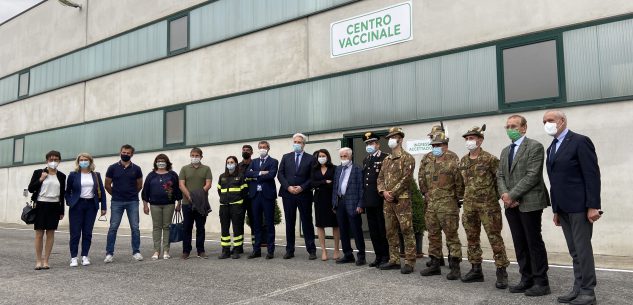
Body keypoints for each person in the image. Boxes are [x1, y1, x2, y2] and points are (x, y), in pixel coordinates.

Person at [543, 110, 601, 305]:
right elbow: (555, 182)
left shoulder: (580, 141)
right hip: (564, 208)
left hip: (579, 206)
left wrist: (593, 206)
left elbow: (591, 175)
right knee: (574, 251)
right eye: (544, 121)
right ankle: (578, 287)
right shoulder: (551, 148)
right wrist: (556, 210)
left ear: (562, 121)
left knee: (583, 249)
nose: (547, 124)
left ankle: (588, 291)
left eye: (550, 120)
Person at [497, 114, 551, 296]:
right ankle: (526, 278)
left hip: (530, 202)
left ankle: (541, 281)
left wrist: (511, 195)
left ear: (524, 128)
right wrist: (505, 195)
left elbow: (532, 175)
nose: (510, 129)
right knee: (519, 242)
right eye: (508, 126)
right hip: (510, 204)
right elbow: (500, 176)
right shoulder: (505, 151)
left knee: (533, 241)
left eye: (514, 126)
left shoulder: (535, 147)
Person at [458, 125, 510, 288]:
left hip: (488, 207)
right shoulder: (464, 160)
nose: (469, 141)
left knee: (494, 238)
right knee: (472, 238)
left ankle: (501, 271)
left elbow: (500, 181)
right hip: (469, 206)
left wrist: (497, 198)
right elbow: (462, 183)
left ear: (480, 140)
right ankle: (476, 269)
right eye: (467, 139)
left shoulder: (490, 159)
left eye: (472, 138)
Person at [418, 125, 464, 280]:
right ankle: (435, 263)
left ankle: (455, 265)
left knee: (451, 236)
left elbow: (459, 183)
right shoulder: (428, 159)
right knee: (433, 235)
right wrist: (425, 193)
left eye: (438, 145)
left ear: (445, 145)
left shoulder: (453, 160)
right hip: (431, 205)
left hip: (448, 205)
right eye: (433, 145)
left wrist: (457, 199)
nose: (435, 147)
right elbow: (421, 177)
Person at [377, 127, 416, 274]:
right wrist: (383, 191)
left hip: (402, 200)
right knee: (390, 230)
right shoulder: (386, 159)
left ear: (400, 139)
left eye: (394, 137)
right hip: (387, 201)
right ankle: (393, 259)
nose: (391, 140)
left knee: (406, 230)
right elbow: (380, 178)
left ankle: (410, 262)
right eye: (389, 137)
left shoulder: (408, 158)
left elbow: (406, 179)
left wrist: (392, 192)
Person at [277, 133, 317, 260]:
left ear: (304, 144)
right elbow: (280, 174)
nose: (297, 144)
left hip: (304, 194)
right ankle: (289, 250)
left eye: (299, 142)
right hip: (288, 194)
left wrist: (302, 187)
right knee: (290, 222)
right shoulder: (286, 157)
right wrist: (288, 187)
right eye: (295, 142)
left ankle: (311, 250)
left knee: (307, 222)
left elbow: (312, 177)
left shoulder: (311, 158)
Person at [65, 153, 107, 267]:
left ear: (90, 161)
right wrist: (70, 202)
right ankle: (74, 257)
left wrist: (103, 207)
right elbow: (67, 191)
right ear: (78, 162)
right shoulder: (73, 175)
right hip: (77, 206)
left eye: (86, 159)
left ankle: (85, 256)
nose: (83, 161)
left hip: (91, 206)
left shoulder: (96, 175)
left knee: (88, 232)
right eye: (81, 160)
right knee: (75, 233)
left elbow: (102, 191)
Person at [104, 144, 143, 263]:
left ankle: (136, 252)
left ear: (132, 154)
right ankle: (109, 253)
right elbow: (107, 185)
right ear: (120, 152)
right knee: (113, 228)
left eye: (128, 153)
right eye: (123, 152)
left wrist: (130, 194)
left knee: (135, 227)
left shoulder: (136, 169)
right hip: (117, 201)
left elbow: (139, 185)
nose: (125, 154)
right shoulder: (112, 168)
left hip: (132, 201)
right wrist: (116, 194)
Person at [28, 150, 66, 270]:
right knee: (39, 233)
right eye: (51, 159)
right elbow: (30, 189)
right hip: (40, 204)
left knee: (50, 233)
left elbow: (62, 194)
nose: (53, 161)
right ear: (47, 160)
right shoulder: (39, 172)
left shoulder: (62, 176)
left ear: (59, 161)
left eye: (56, 159)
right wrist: (41, 179)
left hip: (54, 206)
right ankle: (38, 260)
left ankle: (46, 261)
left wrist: (62, 211)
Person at [141, 154, 182, 260]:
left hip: (169, 204)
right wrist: (145, 205)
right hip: (154, 205)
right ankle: (156, 251)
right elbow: (145, 191)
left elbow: (178, 190)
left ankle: (166, 251)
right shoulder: (151, 175)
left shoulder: (172, 175)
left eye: (163, 161)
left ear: (167, 162)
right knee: (157, 227)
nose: (161, 162)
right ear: (155, 162)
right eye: (158, 161)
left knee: (167, 227)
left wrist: (179, 203)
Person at [331, 147, 365, 266]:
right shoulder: (338, 169)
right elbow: (335, 186)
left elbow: (362, 188)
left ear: (350, 156)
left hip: (353, 203)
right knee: (343, 230)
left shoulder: (357, 169)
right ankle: (348, 254)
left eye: (345, 156)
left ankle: (361, 256)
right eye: (341, 156)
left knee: (356, 230)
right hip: (340, 202)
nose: (343, 158)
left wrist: (361, 204)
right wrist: (334, 204)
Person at [245, 141, 279, 259]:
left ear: (268, 149)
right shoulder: (253, 161)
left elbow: (271, 175)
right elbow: (247, 174)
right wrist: (260, 172)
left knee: (269, 223)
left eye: (264, 147)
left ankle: (270, 250)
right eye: (260, 147)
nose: (262, 149)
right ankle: (256, 250)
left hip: (267, 196)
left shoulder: (273, 161)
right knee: (256, 223)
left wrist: (255, 175)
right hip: (255, 196)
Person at [361, 132, 390, 268]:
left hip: (380, 200)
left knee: (382, 229)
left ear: (378, 144)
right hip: (369, 200)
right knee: (373, 230)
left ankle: (386, 256)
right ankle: (378, 256)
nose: (369, 146)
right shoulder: (366, 160)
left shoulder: (385, 158)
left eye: (372, 143)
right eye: (367, 144)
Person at [179, 147, 213, 259]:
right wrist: (189, 196)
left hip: (201, 203)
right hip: (186, 203)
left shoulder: (206, 169)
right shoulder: (184, 169)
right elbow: (181, 184)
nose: (194, 157)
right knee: (187, 227)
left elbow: (208, 184)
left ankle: (200, 250)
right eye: (192, 155)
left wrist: (197, 197)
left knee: (200, 227)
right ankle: (186, 251)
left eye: (197, 155)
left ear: (201, 157)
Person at [216, 156, 248, 259]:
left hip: (236, 206)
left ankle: (236, 250)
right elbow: (219, 191)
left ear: (236, 164)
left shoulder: (241, 176)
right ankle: (225, 250)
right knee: (224, 229)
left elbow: (244, 191)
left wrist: (238, 201)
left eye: (232, 162)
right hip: (224, 206)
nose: (230, 164)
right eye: (228, 162)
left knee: (237, 228)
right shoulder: (222, 177)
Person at [311, 149, 340, 261]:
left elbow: (335, 183)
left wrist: (322, 183)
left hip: (331, 199)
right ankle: (324, 251)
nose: (321, 157)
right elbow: (312, 183)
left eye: (323, 155)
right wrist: (324, 182)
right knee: (320, 225)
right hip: (319, 199)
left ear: (327, 156)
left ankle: (336, 250)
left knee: (335, 224)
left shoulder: (334, 168)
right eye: (319, 156)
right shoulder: (314, 169)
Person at [238, 144, 258, 249]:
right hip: (241, 198)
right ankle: (239, 246)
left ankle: (255, 245)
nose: (245, 151)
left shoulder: (255, 164)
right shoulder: (238, 166)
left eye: (248, 150)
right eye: (244, 150)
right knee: (239, 221)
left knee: (254, 221)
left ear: (252, 152)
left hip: (253, 197)